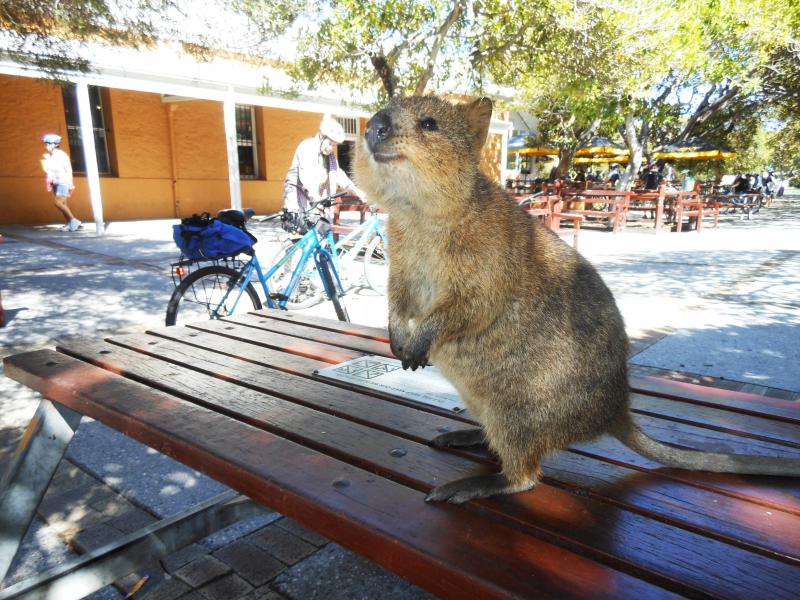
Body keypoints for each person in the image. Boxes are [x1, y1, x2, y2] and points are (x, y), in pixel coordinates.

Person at [282, 116, 366, 218]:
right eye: (330, 143)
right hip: (299, 201)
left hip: (318, 204)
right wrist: (318, 200)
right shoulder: (307, 147)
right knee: (304, 232)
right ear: (321, 136)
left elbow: (338, 174)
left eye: (334, 145)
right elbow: (307, 178)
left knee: (323, 230)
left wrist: (357, 191)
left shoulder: (328, 155)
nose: (331, 148)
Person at [41, 133, 80, 231]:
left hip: (63, 182)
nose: (45, 146)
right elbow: (51, 169)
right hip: (56, 181)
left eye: (46, 144)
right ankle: (69, 223)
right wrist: (47, 160)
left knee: (58, 203)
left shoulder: (61, 155)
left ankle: (73, 220)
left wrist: (71, 184)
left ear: (53, 144)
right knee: (63, 204)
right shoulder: (52, 155)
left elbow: (68, 169)